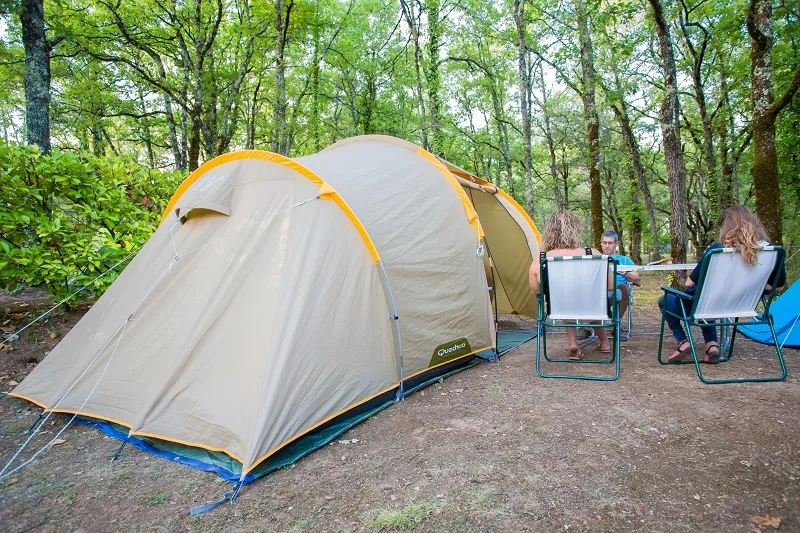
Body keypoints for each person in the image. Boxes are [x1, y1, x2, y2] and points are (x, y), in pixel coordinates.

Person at [661, 205, 786, 364]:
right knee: (707, 302)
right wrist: (752, 284)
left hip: (708, 306)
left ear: (726, 227)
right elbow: (778, 287)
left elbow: (689, 282)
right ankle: (711, 345)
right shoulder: (772, 251)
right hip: (741, 306)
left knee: (668, 300)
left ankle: (683, 341)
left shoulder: (717, 251)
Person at [529, 210, 613, 359]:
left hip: (560, 307)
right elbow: (610, 286)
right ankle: (605, 343)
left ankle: (573, 343)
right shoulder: (592, 253)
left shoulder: (541, 258)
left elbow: (536, 290)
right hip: (592, 306)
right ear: (575, 230)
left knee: (565, 298)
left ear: (549, 233)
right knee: (590, 299)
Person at [600, 231, 641, 321]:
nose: (607, 246)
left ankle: (616, 322)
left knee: (624, 288)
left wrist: (626, 273)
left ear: (616, 244)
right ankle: (584, 327)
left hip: (616, 290)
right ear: (601, 243)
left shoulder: (625, 260)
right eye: (604, 242)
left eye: (610, 243)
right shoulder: (596, 258)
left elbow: (637, 280)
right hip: (598, 289)